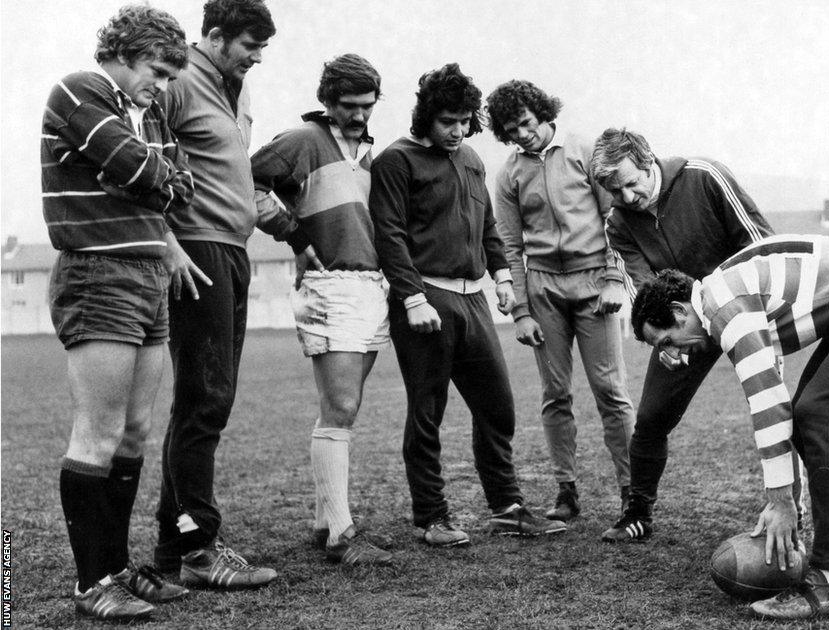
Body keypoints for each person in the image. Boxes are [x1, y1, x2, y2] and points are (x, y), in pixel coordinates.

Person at [629, 234, 829, 619]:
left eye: (666, 342)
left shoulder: (724, 307)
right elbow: (777, 399)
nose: (672, 355)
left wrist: (781, 502)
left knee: (820, 419)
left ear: (678, 311)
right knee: (810, 419)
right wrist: (786, 494)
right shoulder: (721, 296)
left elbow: (768, 402)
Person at [42, 5, 201, 620]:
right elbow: (139, 167)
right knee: (100, 432)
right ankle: (90, 585)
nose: (161, 86)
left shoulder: (150, 109)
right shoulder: (79, 89)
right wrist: (149, 177)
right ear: (125, 52)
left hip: (149, 273)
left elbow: (177, 184)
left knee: (135, 432)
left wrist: (149, 178)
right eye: (156, 71)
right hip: (97, 273)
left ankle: (114, 568)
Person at [369, 63, 566, 547]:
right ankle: (432, 517)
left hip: (473, 298)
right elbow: (389, 235)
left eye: (464, 121)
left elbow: (488, 226)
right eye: (447, 121)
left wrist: (501, 277)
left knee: (497, 406)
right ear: (425, 118)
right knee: (427, 412)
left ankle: (506, 507)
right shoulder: (397, 161)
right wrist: (411, 296)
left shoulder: (472, 158)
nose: (457, 131)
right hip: (424, 300)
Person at [590, 128, 775, 542]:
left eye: (632, 183)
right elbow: (646, 294)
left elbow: (761, 245)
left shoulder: (705, 177)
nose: (629, 198)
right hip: (683, 324)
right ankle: (637, 512)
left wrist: (750, 312)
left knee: (778, 409)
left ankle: (790, 512)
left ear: (648, 160)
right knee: (652, 417)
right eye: (617, 192)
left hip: (746, 312)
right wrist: (665, 343)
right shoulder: (619, 224)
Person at [154, 0, 279, 587]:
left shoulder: (238, 90)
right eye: (249, 46)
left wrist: (294, 235)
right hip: (196, 251)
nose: (256, 58)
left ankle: (171, 545)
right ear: (214, 37)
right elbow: (142, 157)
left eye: (262, 48)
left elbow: (238, 174)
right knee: (204, 400)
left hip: (232, 250)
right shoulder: (177, 80)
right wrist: (165, 238)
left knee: (204, 401)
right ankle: (200, 549)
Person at [250, 53, 392, 566]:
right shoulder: (303, 141)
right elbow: (246, 183)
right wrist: (292, 234)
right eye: (349, 106)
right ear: (327, 101)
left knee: (342, 407)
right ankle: (341, 535)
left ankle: (325, 520)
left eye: (367, 106)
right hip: (331, 284)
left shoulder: (370, 148)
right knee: (341, 409)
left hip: (372, 286)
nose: (358, 115)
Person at [485, 80, 635, 523]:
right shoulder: (509, 172)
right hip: (544, 289)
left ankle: (632, 490)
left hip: (594, 284)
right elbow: (510, 245)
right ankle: (566, 491)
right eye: (511, 130)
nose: (522, 135)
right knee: (555, 394)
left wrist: (612, 280)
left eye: (527, 123)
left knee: (611, 391)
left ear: (545, 113)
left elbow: (616, 217)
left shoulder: (584, 150)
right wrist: (520, 311)